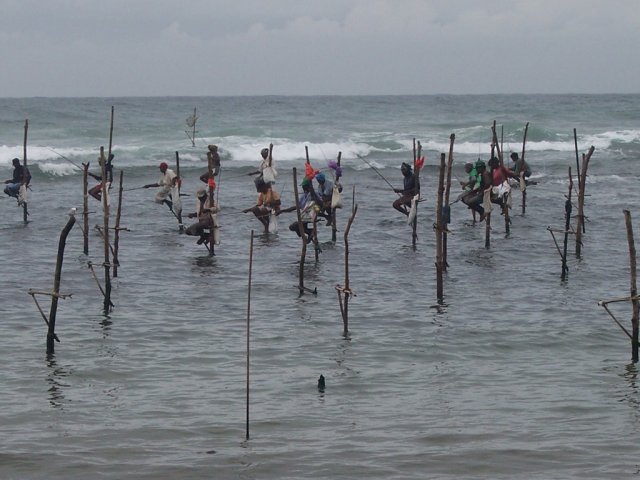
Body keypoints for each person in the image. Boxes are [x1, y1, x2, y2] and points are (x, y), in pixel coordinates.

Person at [280, 177, 319, 243]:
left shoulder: (313, 195)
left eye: (304, 187)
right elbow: (296, 207)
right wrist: (282, 211)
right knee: (298, 232)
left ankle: (311, 232)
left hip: (311, 215)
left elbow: (318, 203)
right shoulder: (304, 196)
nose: (303, 188)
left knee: (293, 226)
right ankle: (310, 231)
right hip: (304, 215)